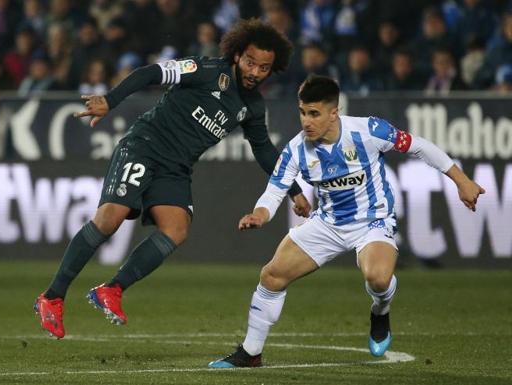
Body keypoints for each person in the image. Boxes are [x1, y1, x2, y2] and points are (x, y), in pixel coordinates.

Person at [34, 18, 311, 339]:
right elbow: (150, 72)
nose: (254, 72)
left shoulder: (251, 105)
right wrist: (110, 100)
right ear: (237, 55)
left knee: (177, 229)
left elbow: (264, 150)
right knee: (109, 219)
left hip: (176, 167)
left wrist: (292, 190)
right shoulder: (207, 70)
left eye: (264, 68)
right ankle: (52, 296)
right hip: (145, 146)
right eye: (250, 62)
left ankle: (111, 289)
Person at [208, 75, 485, 368]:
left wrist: (462, 180)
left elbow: (420, 146)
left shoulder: (368, 131)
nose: (306, 122)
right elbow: (275, 190)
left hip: (372, 222)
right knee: (272, 275)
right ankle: (251, 353)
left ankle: (380, 311)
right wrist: (259, 215)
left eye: (314, 113)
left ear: (334, 112)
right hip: (327, 224)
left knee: (378, 278)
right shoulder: (296, 149)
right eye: (302, 112)